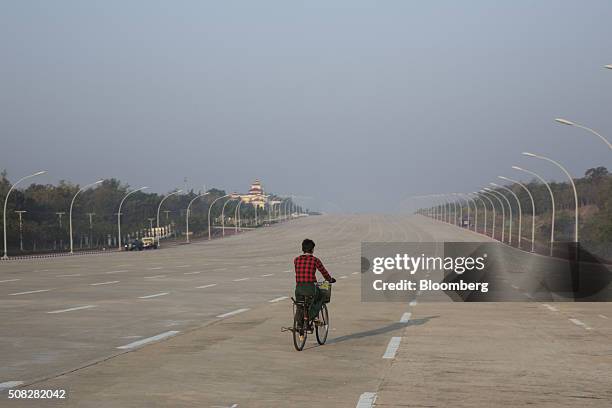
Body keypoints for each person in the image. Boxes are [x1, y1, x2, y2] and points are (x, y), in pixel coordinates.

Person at [294, 239, 336, 330]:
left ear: (302, 248)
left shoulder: (296, 260)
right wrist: (330, 280)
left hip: (299, 289)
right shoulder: (315, 260)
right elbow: (324, 273)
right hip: (310, 288)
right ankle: (314, 317)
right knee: (321, 296)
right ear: (312, 249)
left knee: (300, 305)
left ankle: (299, 324)